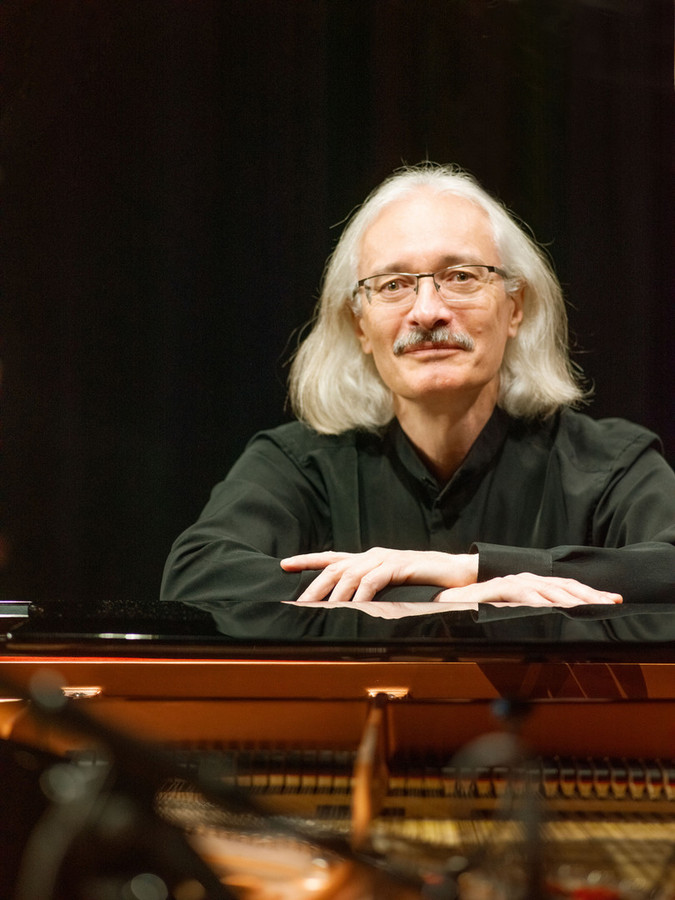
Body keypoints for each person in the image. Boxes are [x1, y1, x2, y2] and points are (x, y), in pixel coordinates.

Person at [161, 164, 674, 639]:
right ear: (361, 325)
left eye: (461, 277)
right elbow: (199, 578)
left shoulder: (608, 465)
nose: (427, 312)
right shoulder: (298, 465)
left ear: (515, 308)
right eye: (394, 285)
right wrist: (437, 600)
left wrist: (470, 568)